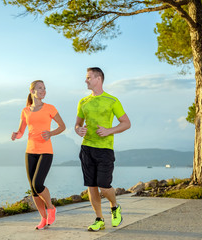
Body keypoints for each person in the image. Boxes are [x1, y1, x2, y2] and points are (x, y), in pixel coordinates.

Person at [74, 67, 131, 231]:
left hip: (105, 149)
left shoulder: (112, 100)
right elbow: (77, 124)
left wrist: (109, 130)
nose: (86, 80)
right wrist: (78, 129)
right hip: (86, 148)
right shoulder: (83, 102)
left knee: (104, 185)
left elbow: (126, 123)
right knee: (91, 186)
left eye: (88, 77)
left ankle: (115, 206)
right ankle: (99, 219)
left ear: (98, 79)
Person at [11, 80, 66, 230]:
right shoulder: (25, 111)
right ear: (32, 91)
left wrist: (51, 133)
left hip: (46, 151)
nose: (43, 91)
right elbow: (22, 131)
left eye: (44, 88)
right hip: (30, 152)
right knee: (33, 189)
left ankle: (51, 207)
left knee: (38, 184)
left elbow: (62, 126)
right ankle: (43, 219)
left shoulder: (50, 108)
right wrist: (16, 134)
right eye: (40, 88)